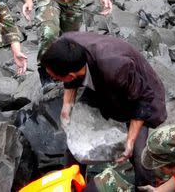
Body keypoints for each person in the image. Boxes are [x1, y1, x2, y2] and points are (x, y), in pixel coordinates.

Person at [40, 32, 167, 187]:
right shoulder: (66, 47)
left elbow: (142, 101)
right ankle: (72, 185)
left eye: (56, 78)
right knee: (74, 145)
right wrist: (67, 106)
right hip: (99, 84)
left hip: (139, 94)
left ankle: (146, 186)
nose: (55, 80)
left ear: (71, 75)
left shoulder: (116, 67)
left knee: (139, 154)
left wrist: (130, 141)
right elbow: (68, 78)